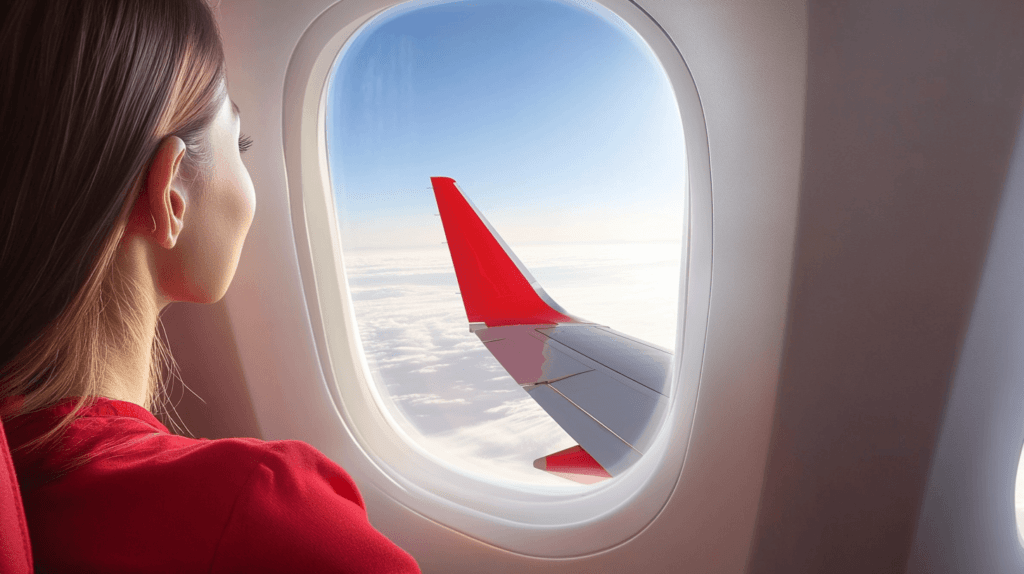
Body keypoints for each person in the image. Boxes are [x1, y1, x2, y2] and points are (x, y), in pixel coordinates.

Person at [0, 1, 421, 572]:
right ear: (171, 193)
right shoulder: (262, 512)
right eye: (241, 144)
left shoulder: (19, 467)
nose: (252, 185)